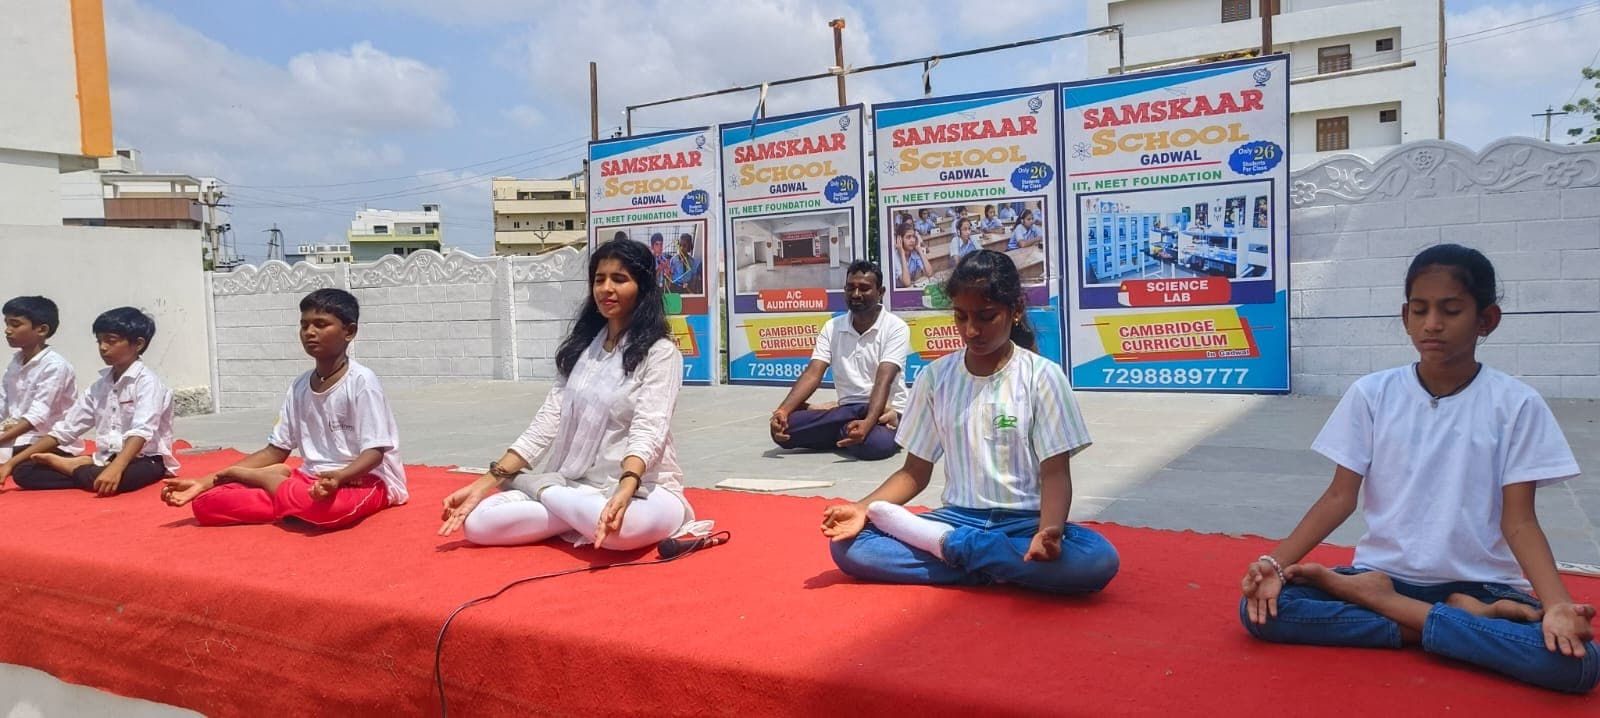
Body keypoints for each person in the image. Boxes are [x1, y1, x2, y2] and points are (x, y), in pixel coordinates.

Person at [1238, 244, 1598, 693]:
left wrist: (1558, 604)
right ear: (1405, 315)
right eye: (1420, 310)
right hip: (1383, 573)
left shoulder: (1516, 404)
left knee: (1574, 665)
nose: (1432, 324)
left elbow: (1519, 520)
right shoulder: (1372, 394)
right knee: (1263, 610)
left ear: (1487, 320)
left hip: (1483, 586)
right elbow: (1338, 497)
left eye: (1451, 310)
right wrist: (1273, 562)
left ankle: (1400, 611)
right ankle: (1457, 624)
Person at [821, 250, 1119, 594]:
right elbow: (914, 472)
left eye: (985, 316)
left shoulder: (1043, 377)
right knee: (849, 548)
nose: (971, 330)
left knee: (1097, 560)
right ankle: (999, 565)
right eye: (961, 317)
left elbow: (1055, 472)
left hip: (1025, 524)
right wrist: (859, 509)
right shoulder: (936, 377)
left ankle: (951, 551)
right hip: (957, 518)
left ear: (1016, 311)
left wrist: (1049, 531)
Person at [439, 237, 694, 551]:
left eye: (619, 279)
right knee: (479, 524)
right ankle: (570, 508)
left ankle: (533, 487)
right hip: (577, 485)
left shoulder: (661, 354)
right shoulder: (581, 351)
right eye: (599, 280)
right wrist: (485, 482)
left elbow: (649, 428)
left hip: (645, 488)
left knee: (622, 532)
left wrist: (626, 486)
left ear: (642, 287)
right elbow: (547, 423)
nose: (606, 289)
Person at [162, 289, 407, 530]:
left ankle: (276, 488)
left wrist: (339, 477)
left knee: (327, 513)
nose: (310, 332)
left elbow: (375, 452)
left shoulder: (362, 382)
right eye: (304, 325)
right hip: (307, 481)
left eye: (321, 324)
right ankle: (285, 495)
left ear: (349, 332)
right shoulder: (300, 385)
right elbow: (276, 450)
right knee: (206, 504)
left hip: (362, 481)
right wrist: (204, 483)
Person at [6, 307, 177, 495]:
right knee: (24, 472)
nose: (103, 347)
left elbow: (142, 431)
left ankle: (74, 467)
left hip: (145, 458)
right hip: (103, 459)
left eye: (110, 341)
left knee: (118, 479)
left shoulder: (148, 383)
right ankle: (86, 470)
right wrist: (11, 463)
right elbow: (65, 430)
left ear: (138, 344)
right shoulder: (99, 387)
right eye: (100, 341)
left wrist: (116, 468)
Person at [769, 261, 908, 462]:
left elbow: (883, 379)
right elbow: (813, 373)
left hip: (886, 414)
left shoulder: (896, 327)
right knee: (784, 430)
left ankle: (842, 427)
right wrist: (782, 411)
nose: (856, 294)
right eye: (850, 288)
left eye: (864, 288)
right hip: (850, 408)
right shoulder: (832, 327)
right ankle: (846, 429)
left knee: (874, 446)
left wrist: (868, 422)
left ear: (881, 292)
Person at [0, 296, 77, 472]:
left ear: (41, 330)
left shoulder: (55, 366)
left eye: (15, 324)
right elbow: (2, 405)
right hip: (16, 436)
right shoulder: (16, 362)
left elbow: (37, 417)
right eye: (6, 324)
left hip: (45, 439)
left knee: (25, 473)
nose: (7, 330)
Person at [892, 221, 934, 289]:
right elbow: (906, 283)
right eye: (908, 237)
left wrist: (920, 250)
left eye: (913, 237)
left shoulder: (914, 252)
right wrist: (902, 253)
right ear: (900, 240)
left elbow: (929, 273)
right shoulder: (894, 256)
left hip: (910, 288)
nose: (912, 240)